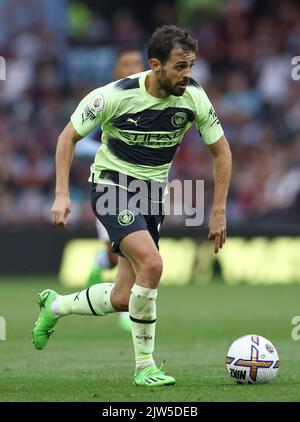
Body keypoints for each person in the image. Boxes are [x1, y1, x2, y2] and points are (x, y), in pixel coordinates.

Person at [32, 25, 232, 387]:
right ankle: (145, 367)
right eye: (179, 66)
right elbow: (67, 138)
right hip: (112, 185)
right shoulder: (113, 96)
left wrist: (218, 210)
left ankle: (55, 306)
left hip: (154, 194)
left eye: (191, 66)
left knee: (124, 297)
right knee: (153, 265)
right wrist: (62, 194)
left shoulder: (194, 98)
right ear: (155, 65)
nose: (187, 74)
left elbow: (222, 151)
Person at [75, 48, 145, 332]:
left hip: (145, 187)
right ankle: (127, 309)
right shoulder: (108, 100)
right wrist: (111, 148)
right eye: (125, 64)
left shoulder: (157, 98)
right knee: (125, 252)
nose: (131, 68)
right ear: (116, 71)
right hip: (111, 187)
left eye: (136, 63)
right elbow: (77, 142)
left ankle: (104, 268)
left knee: (139, 252)